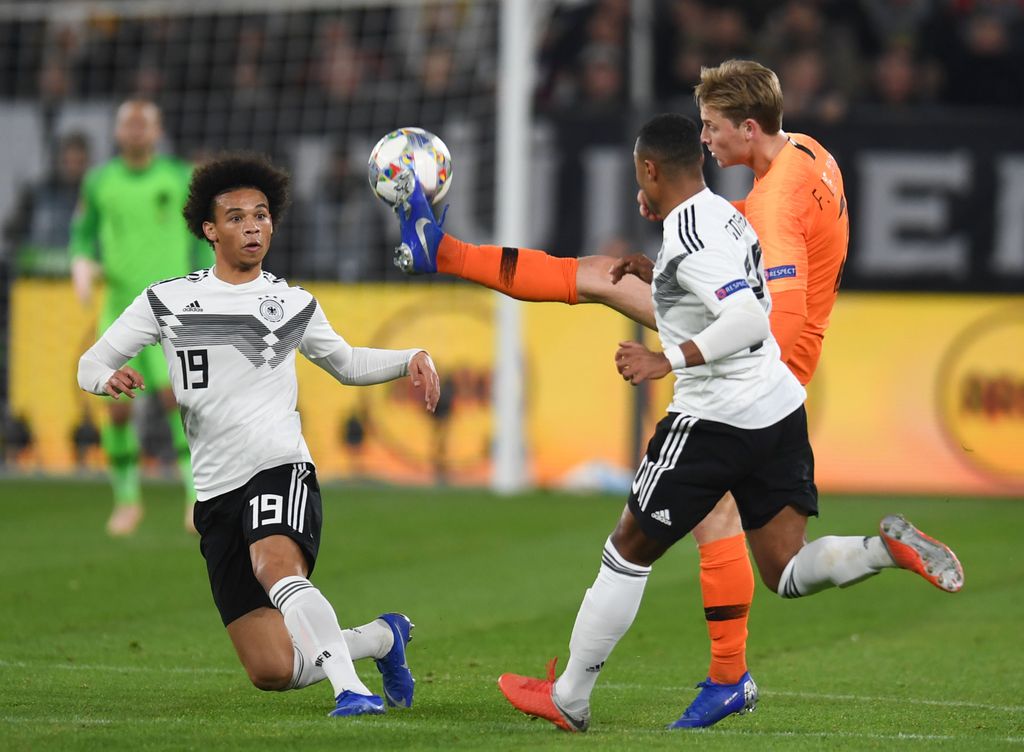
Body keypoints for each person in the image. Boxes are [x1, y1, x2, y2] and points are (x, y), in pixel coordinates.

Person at [395, 114, 962, 732]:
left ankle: (570, 697)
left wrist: (667, 356)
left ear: (649, 170)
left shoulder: (718, 226)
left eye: (716, 122)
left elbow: (748, 317)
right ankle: (884, 552)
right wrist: (663, 280)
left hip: (720, 413)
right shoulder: (740, 204)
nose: (710, 133)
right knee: (786, 569)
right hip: (778, 408)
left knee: (628, 549)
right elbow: (746, 290)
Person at [77, 153, 442, 717]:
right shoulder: (166, 300)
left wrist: (409, 357)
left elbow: (345, 362)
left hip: (278, 464)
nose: (253, 227)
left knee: (276, 566)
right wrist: (106, 377)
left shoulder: (290, 303)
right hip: (215, 491)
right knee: (272, 669)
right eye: (237, 217)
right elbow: (90, 362)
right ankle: (382, 639)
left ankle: (352, 690)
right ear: (209, 229)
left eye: (262, 215)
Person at [69, 99, 213, 536]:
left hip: (174, 308)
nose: (135, 130)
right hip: (120, 310)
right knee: (116, 406)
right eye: (128, 123)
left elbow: (203, 237)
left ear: (157, 130)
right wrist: (80, 263)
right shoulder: (99, 182)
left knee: (179, 402)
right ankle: (127, 500)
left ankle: (195, 499)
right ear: (117, 132)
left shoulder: (180, 177)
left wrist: (208, 286)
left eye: (143, 123)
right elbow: (83, 232)